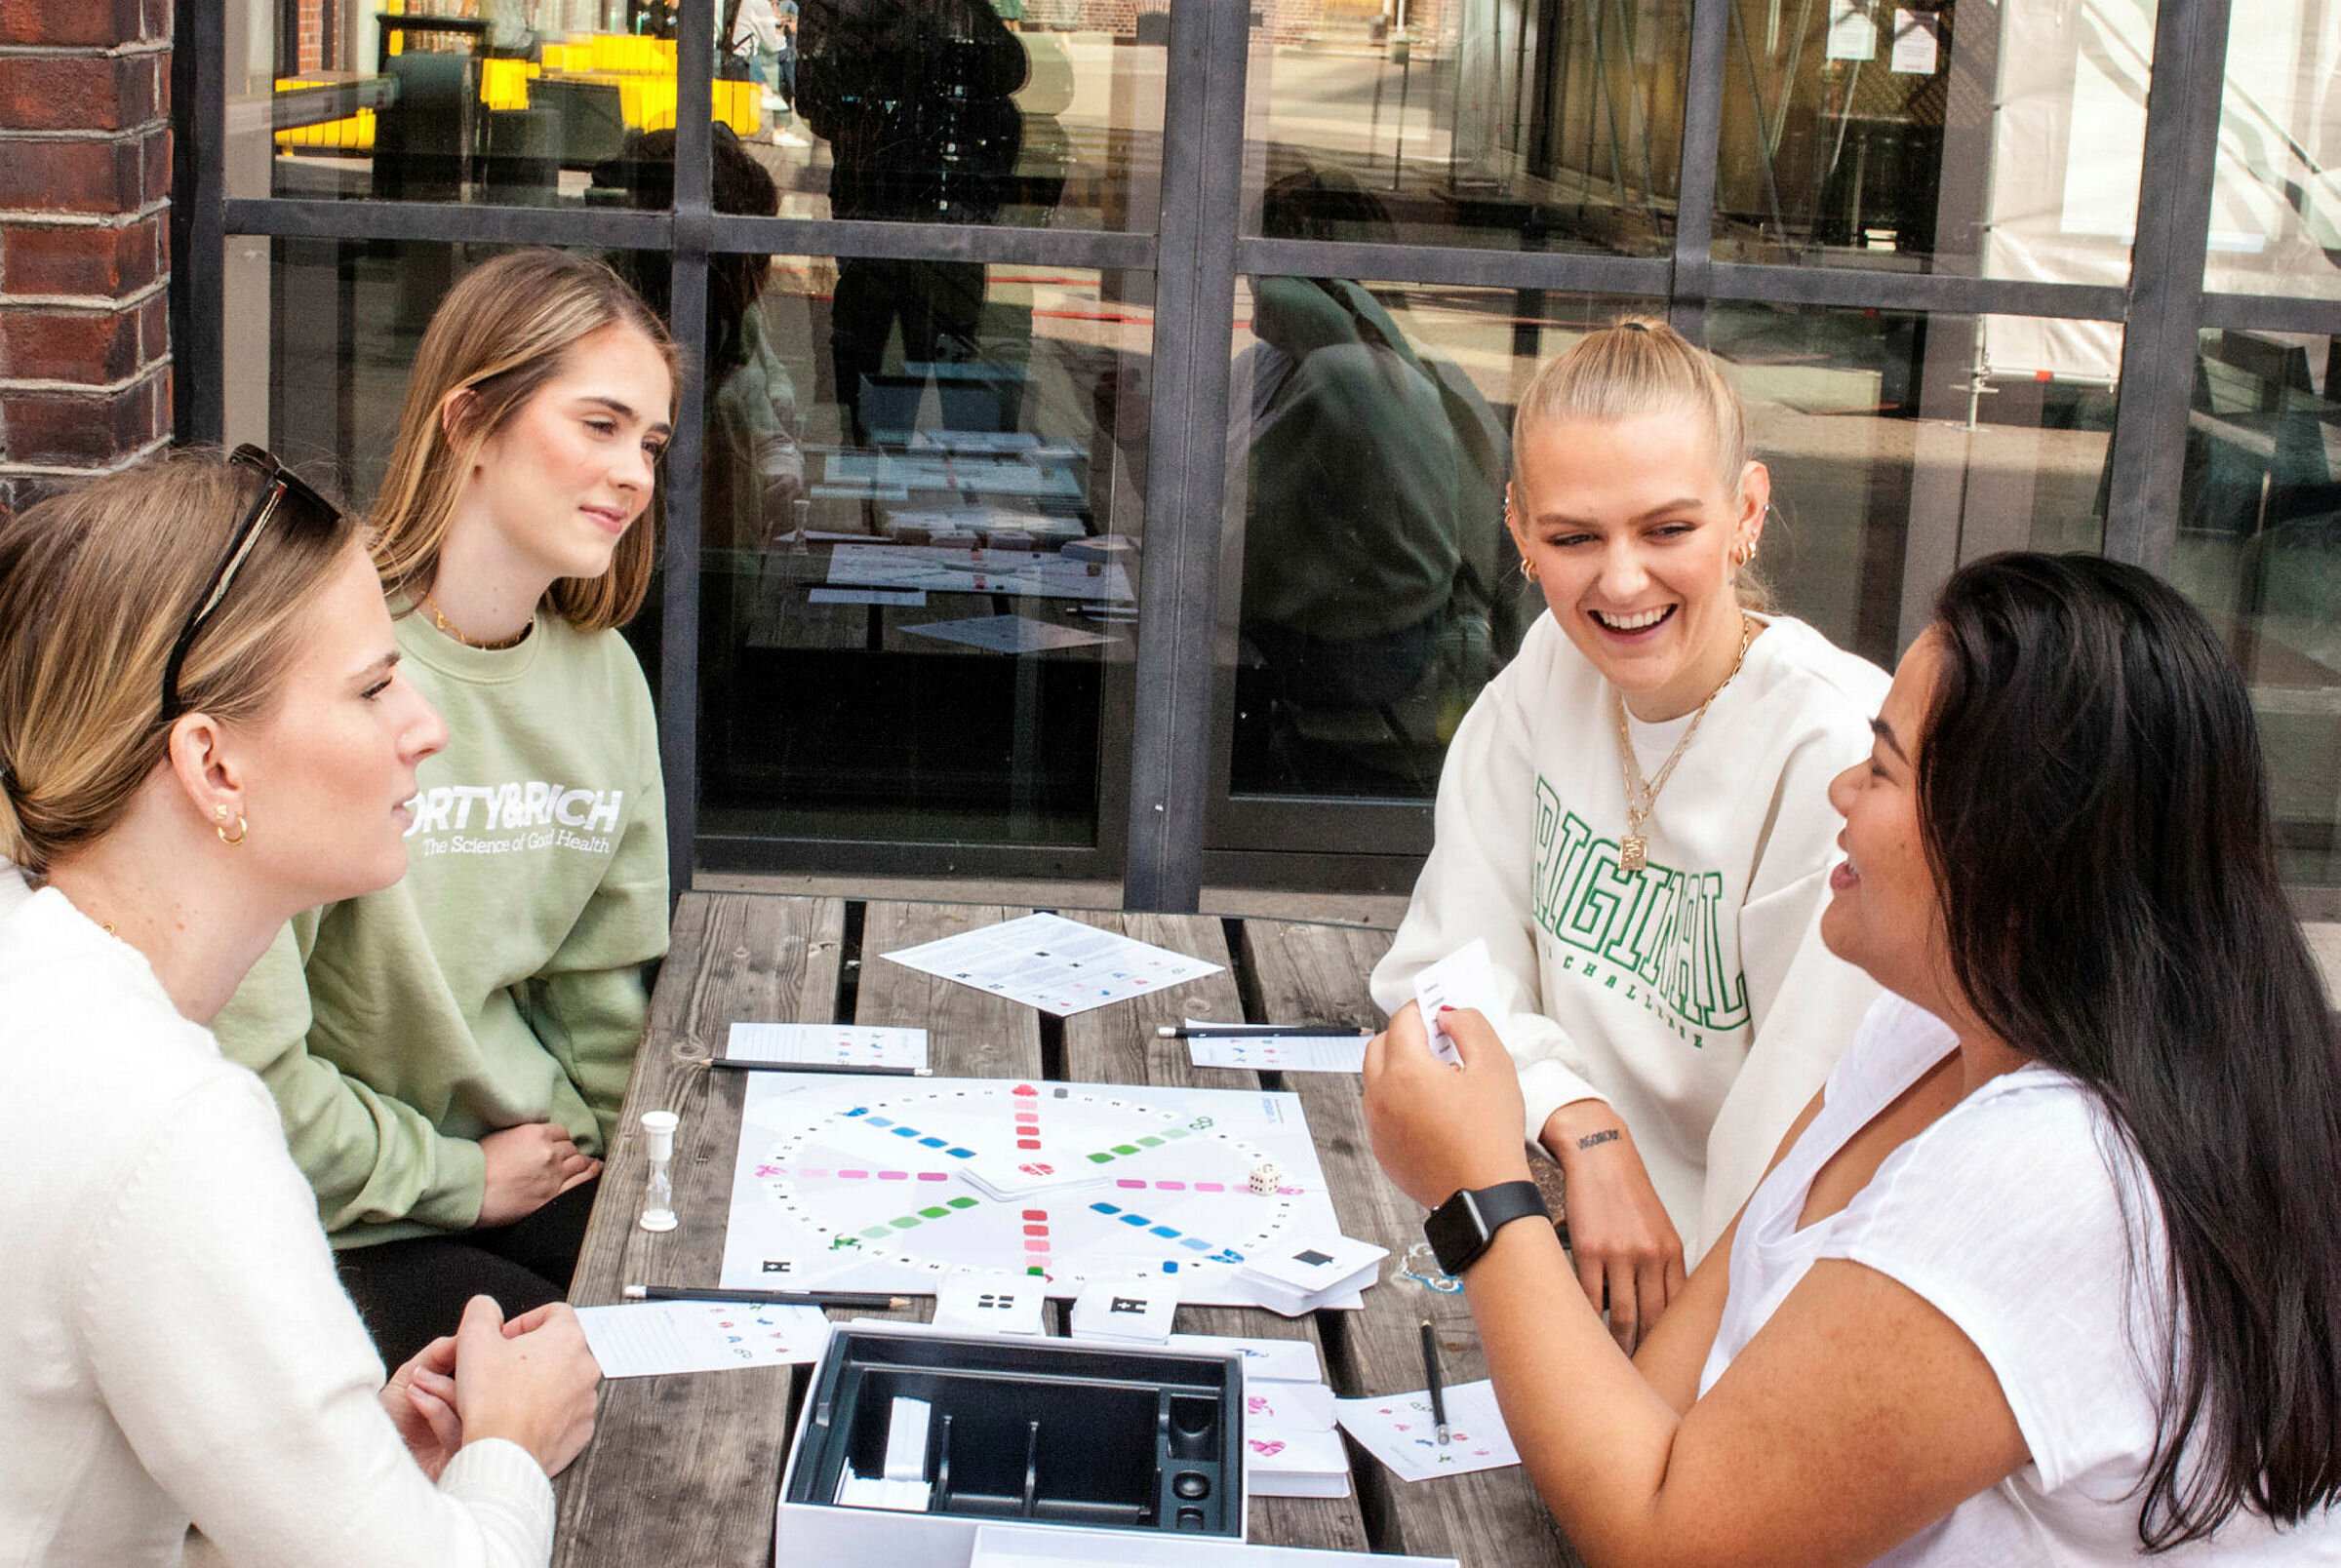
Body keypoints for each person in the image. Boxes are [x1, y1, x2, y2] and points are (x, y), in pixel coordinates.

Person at [1363, 552, 2341, 1561]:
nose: (1840, 787)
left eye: (1881, 768)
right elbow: (1664, 1405)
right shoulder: (1930, 1027)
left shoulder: (2060, 1171)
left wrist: (1480, 1195)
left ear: (2009, 844)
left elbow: (1666, 1543)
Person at [0, 449, 601, 1564]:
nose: (426, 726)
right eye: (373, 688)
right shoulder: (173, 1121)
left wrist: (350, 1466)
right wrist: (510, 1446)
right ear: (213, 766)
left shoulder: (42, 979)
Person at [1369, 317, 1887, 1349]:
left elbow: (1810, 1139)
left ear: (1746, 511)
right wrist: (1585, 1127)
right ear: (1519, 530)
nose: (1620, 582)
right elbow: (1441, 979)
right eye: (1574, 538)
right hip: (1568, 1255)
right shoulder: (1550, 672)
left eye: (1666, 530)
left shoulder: (1833, 749)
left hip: (1752, 1322)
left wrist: (1661, 1388)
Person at [213, 249, 674, 1370]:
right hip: (341, 1212)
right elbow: (245, 1062)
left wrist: (643, 1185)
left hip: (540, 1169)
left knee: (723, 1347)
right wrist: (459, 1179)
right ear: (469, 420)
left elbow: (599, 993)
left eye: (652, 445)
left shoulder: (604, 676)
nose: (634, 475)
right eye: (601, 425)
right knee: (592, 1390)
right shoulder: (320, 661)